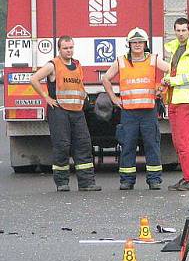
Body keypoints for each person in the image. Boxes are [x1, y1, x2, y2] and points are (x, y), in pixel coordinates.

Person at [29, 35, 101, 192]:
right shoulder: (53, 65)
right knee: (62, 146)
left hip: (77, 112)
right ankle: (62, 183)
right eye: (65, 48)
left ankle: (86, 183)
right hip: (59, 111)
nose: (69, 51)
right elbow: (34, 79)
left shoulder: (76, 65)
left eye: (71, 48)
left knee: (83, 145)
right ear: (59, 49)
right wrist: (46, 97)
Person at [101, 28, 170, 190]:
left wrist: (163, 86)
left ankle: (154, 180)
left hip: (148, 111)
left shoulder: (153, 59)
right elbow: (105, 78)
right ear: (129, 44)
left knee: (152, 145)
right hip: (129, 112)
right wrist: (113, 98)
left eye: (140, 42)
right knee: (128, 145)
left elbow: (171, 70)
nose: (137, 45)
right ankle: (127, 180)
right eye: (134, 42)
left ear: (145, 44)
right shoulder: (121, 61)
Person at [163, 17, 189, 191]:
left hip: (187, 101)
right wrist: (166, 82)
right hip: (174, 99)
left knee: (184, 141)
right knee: (178, 141)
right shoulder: (176, 49)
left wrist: (173, 81)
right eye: (178, 30)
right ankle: (187, 176)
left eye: (183, 30)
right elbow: (172, 70)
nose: (180, 34)